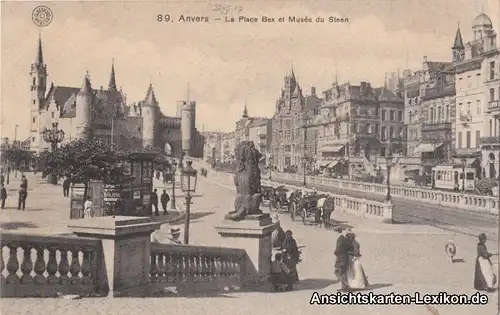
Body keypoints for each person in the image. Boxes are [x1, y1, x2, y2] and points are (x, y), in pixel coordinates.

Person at [334, 227, 350, 291]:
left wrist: (335, 253)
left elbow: (338, 248)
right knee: (343, 272)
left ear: (337, 232)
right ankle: (344, 286)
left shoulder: (340, 239)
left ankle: (345, 285)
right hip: (345, 257)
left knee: (337, 271)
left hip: (340, 257)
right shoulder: (344, 238)